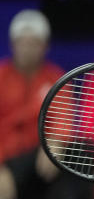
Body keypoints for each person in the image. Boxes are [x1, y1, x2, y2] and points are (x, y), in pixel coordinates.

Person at [0, 10, 63, 163]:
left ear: (45, 46)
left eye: (34, 43)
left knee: (82, 150)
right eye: (22, 43)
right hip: (6, 158)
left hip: (42, 157)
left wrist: (56, 142)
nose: (27, 49)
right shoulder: (1, 76)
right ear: (12, 45)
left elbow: (62, 119)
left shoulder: (56, 78)